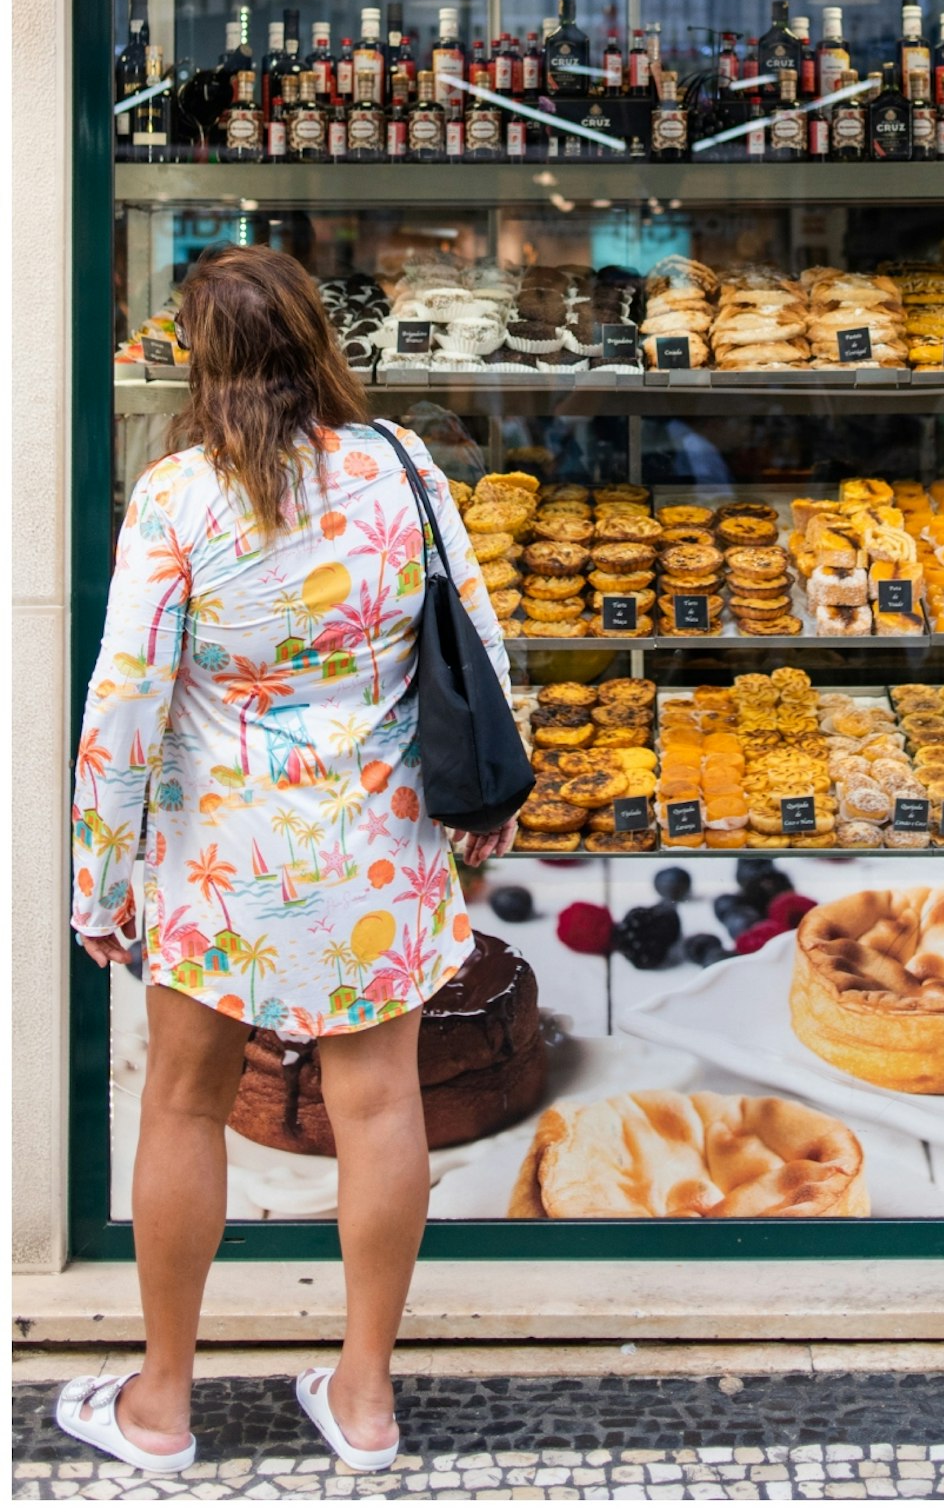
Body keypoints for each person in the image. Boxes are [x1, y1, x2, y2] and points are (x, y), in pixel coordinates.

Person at [58, 243, 517, 1479]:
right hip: (382, 850)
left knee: (181, 1106)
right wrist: (491, 800)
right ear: (321, 337)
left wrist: (97, 881)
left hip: (225, 866)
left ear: (202, 364)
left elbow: (124, 704)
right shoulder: (402, 467)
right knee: (383, 1109)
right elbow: (475, 634)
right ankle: (363, 1400)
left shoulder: (177, 499)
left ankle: (160, 1407)